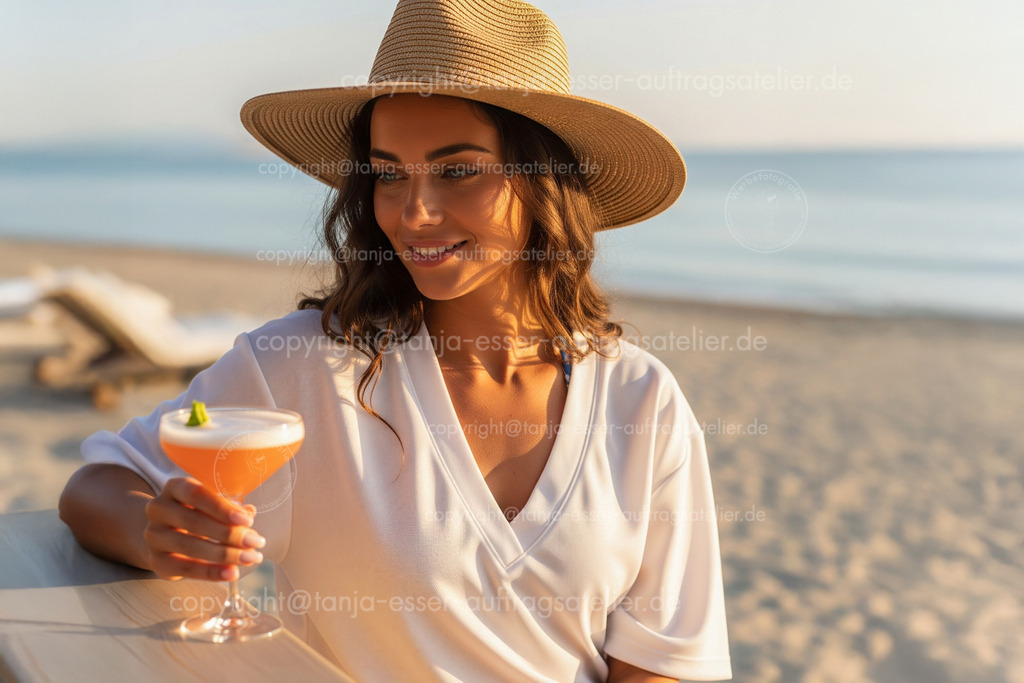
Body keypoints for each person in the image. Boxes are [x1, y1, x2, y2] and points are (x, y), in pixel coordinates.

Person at [59, 1, 732, 680]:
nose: (413, 212)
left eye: (457, 170)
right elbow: (97, 485)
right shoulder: (302, 370)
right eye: (388, 174)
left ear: (543, 181)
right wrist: (155, 531)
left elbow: (662, 662)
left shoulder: (643, 399)